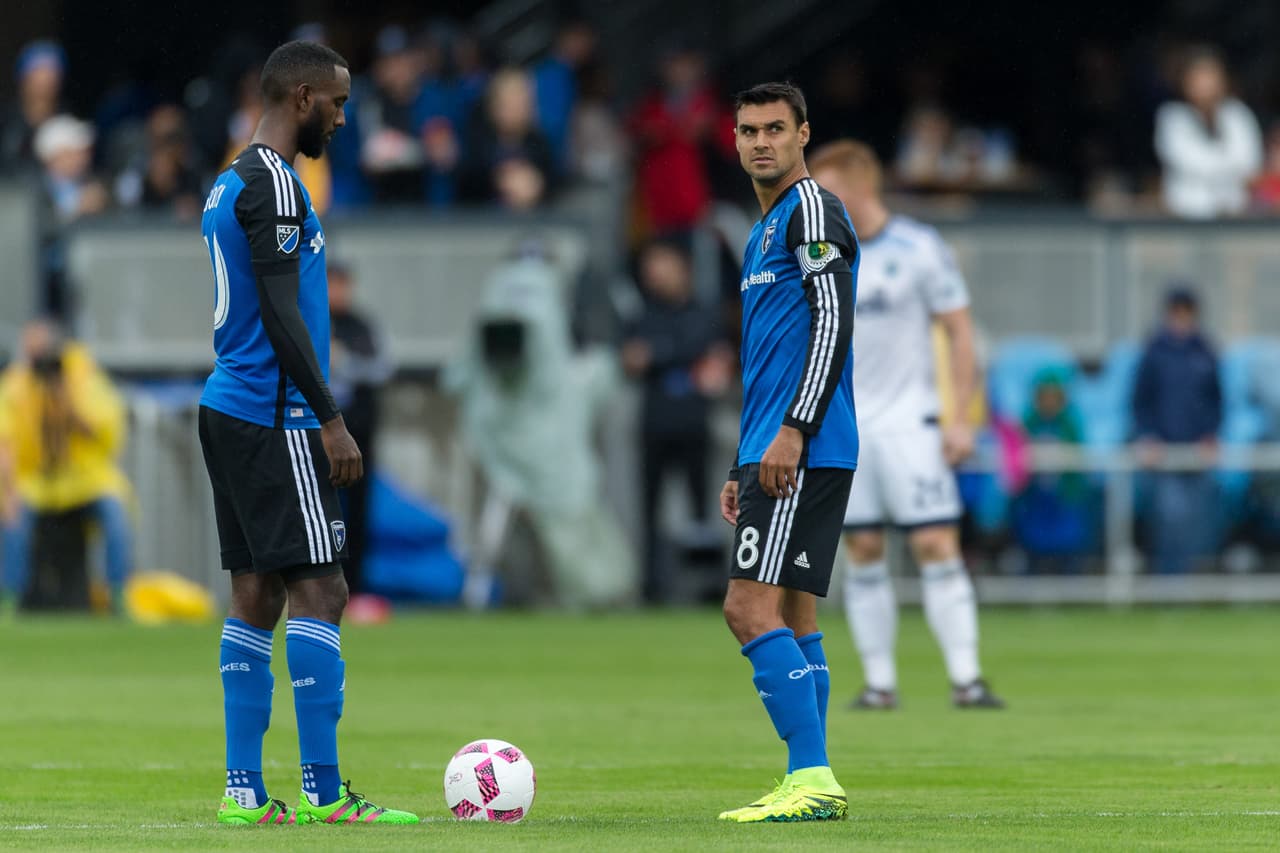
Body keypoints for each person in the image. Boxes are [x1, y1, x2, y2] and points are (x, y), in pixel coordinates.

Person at [197, 40, 416, 826]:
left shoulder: (230, 180)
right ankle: (325, 793)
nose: (343, 117)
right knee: (321, 588)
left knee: (255, 592)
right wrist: (329, 417)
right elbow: (284, 313)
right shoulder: (277, 187)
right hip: (274, 412)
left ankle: (243, 793)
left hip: (232, 403)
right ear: (300, 99)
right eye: (338, 103)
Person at [808, 140, 1003, 712]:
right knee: (863, 547)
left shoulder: (919, 248)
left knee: (936, 541)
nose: (817, 202)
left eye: (827, 189)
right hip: (847, 425)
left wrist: (960, 417)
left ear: (860, 186)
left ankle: (966, 678)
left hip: (912, 423)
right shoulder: (820, 256)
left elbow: (960, 331)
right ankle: (878, 684)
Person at [717, 82, 857, 823]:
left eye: (775, 128)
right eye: (748, 130)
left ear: (805, 133)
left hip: (805, 443)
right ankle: (813, 778)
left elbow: (834, 319)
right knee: (795, 614)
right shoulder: (762, 227)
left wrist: (795, 429)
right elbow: (769, 353)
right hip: (779, 446)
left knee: (747, 606)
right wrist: (745, 458)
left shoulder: (812, 209)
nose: (761, 141)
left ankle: (811, 770)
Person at [0, 320, 132, 613]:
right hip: (37, 480)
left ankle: (118, 595)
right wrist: (8, 494)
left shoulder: (84, 375)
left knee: (115, 515)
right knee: (13, 520)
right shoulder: (16, 383)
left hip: (86, 478)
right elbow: (4, 441)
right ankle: (10, 599)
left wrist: (66, 401)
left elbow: (104, 431)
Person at [621, 238, 723, 604]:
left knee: (702, 508)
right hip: (654, 425)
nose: (656, 274)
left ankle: (706, 587)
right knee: (650, 510)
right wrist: (672, 355)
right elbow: (631, 359)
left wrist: (659, 355)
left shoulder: (702, 312)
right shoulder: (642, 315)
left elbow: (701, 349)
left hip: (694, 424)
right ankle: (653, 588)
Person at [1132, 287, 1222, 574]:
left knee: (1196, 521)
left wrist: (1211, 434)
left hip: (1196, 451)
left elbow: (1217, 401)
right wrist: (1147, 437)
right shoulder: (1154, 353)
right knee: (1169, 517)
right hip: (1164, 451)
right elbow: (1140, 402)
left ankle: (1190, 579)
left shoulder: (1205, 351)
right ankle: (1167, 579)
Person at [327, 261, 393, 596]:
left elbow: (382, 368)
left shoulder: (362, 326)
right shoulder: (308, 320)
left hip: (359, 435)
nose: (337, 292)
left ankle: (355, 588)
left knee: (357, 513)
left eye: (342, 284)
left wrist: (345, 362)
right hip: (317, 439)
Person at [1154, 47, 1262, 219]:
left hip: (1234, 217)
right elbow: (1190, 163)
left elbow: (1250, 164)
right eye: (1199, 78)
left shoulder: (1238, 114)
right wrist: (1230, 165)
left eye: (1211, 76)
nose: (1206, 85)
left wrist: (1222, 165)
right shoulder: (1172, 117)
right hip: (1184, 218)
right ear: (1185, 81)